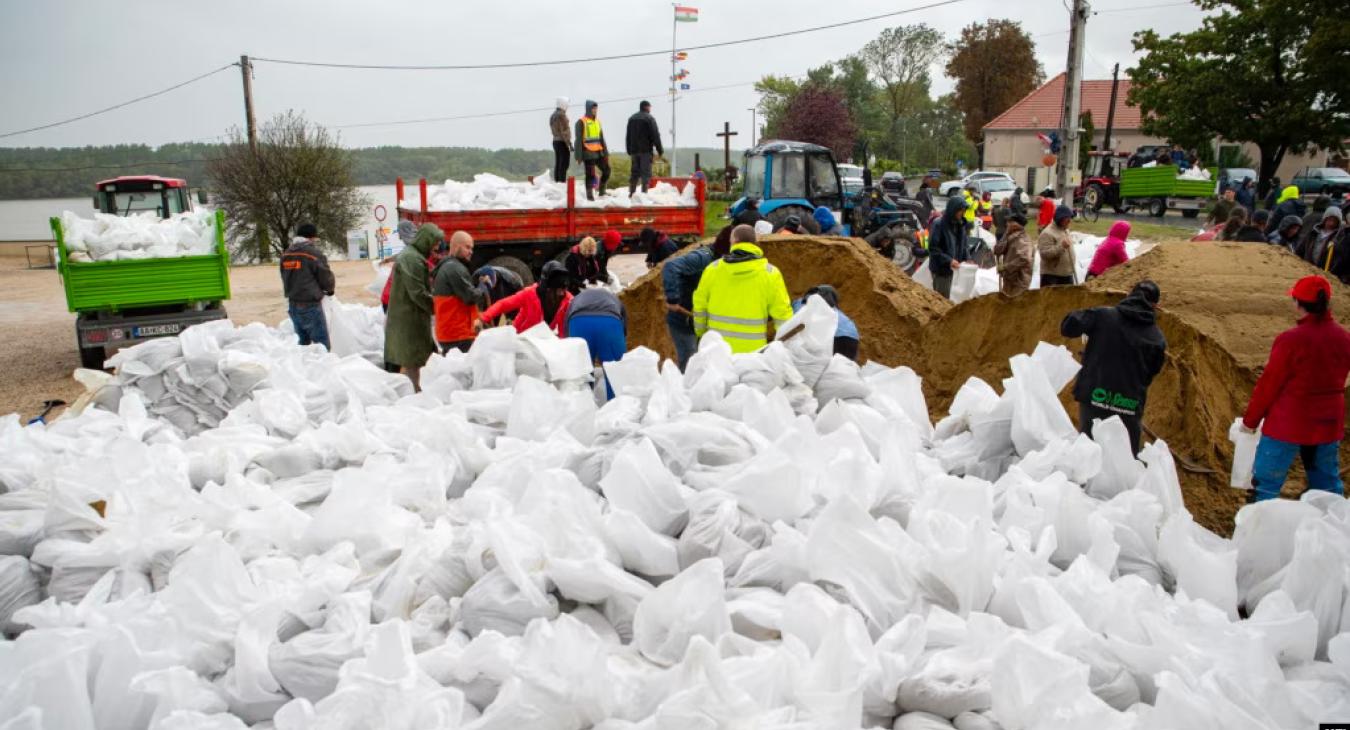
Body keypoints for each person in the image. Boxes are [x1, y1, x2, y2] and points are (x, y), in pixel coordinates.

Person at [1240, 275, 1350, 502]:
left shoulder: (1291, 340)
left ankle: (1259, 530)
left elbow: (1268, 385)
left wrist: (1250, 421)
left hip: (1288, 422)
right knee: (1327, 485)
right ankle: (1334, 528)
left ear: (1299, 304)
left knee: (1266, 484)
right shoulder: (1344, 338)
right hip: (1328, 422)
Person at [1061, 281, 1167, 453]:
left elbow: (1068, 327)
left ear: (1128, 295)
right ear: (1155, 306)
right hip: (1128, 405)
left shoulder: (1103, 316)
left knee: (1088, 457)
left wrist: (1088, 318)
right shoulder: (1156, 338)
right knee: (1125, 462)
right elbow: (1151, 373)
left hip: (1095, 398)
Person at [692, 224, 793, 354]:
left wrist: (700, 332)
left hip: (716, 351)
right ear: (755, 243)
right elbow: (782, 314)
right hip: (752, 353)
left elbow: (700, 306)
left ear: (733, 241)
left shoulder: (712, 270)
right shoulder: (771, 273)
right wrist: (786, 344)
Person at [663, 225, 731, 369]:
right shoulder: (703, 258)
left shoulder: (722, 261)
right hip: (683, 321)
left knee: (703, 359)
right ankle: (685, 389)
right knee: (690, 361)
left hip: (700, 320)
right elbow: (671, 267)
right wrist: (673, 299)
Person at [385, 224, 443, 391]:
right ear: (427, 239)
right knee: (413, 358)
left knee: (416, 358)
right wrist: (439, 308)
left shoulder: (413, 255)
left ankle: (414, 390)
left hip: (409, 316)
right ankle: (414, 393)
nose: (437, 246)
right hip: (409, 319)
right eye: (435, 242)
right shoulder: (412, 259)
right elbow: (418, 293)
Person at [279, 222, 336, 350]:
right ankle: (324, 368)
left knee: (303, 344)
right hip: (310, 305)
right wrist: (330, 290)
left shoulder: (286, 254)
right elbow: (326, 277)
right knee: (321, 346)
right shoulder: (313, 253)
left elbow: (284, 276)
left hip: (293, 304)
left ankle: (304, 368)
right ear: (311, 237)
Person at [431, 231, 487, 354]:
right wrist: (483, 287)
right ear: (456, 246)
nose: (471, 251)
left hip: (450, 333)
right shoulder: (454, 268)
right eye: (467, 247)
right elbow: (470, 297)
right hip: (458, 335)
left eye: (472, 248)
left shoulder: (448, 266)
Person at [481, 260, 573, 336]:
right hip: (520, 337)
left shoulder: (567, 300)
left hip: (541, 340)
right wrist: (484, 317)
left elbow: (563, 327)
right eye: (558, 290)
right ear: (548, 288)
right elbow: (503, 304)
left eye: (564, 289)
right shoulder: (529, 294)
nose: (562, 293)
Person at [565, 287, 627, 399]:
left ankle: (583, 408)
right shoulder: (614, 298)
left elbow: (566, 324)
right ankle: (616, 409)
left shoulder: (576, 299)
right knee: (615, 371)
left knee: (582, 373)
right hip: (609, 323)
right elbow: (624, 326)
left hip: (578, 322)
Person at [791, 284, 860, 361]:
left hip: (834, 336)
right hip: (853, 338)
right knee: (844, 368)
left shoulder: (803, 303)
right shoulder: (836, 312)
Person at [927, 196, 971, 299]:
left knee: (953, 299)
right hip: (941, 271)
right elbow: (933, 248)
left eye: (964, 211)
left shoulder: (960, 224)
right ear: (953, 209)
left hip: (955, 270)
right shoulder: (939, 224)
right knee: (942, 300)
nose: (963, 213)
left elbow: (964, 245)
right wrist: (949, 260)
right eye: (961, 211)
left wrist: (968, 258)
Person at [625, 100, 664, 194]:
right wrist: (660, 150)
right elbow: (655, 135)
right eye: (650, 107)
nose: (650, 109)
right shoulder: (649, 118)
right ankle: (644, 195)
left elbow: (628, 135)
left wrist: (629, 150)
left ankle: (631, 193)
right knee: (645, 174)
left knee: (634, 173)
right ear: (647, 107)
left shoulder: (631, 119)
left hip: (634, 151)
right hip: (645, 151)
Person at [574, 100, 609, 201]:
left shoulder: (598, 122)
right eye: (593, 108)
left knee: (607, 170)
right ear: (588, 109)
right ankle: (590, 197)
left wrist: (606, 153)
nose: (595, 110)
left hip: (599, 151)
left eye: (596, 108)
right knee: (590, 174)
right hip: (588, 152)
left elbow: (602, 138)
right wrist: (578, 156)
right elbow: (578, 140)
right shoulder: (581, 122)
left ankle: (602, 191)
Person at [993, 212, 1033, 297]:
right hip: (1009, 279)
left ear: (1017, 225)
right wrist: (1006, 234)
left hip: (1019, 281)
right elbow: (997, 250)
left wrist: (1006, 267)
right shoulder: (1009, 236)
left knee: (1016, 307)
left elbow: (1024, 259)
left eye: (1010, 222)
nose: (1007, 224)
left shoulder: (1023, 239)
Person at [1038, 205, 1077, 287]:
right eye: (1067, 219)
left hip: (1067, 274)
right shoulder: (1047, 233)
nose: (1070, 221)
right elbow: (1044, 254)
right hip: (1052, 277)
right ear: (1060, 218)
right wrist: (1061, 247)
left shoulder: (1065, 230)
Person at [550, 97, 571, 183]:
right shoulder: (561, 115)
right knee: (564, 163)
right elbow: (564, 131)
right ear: (563, 104)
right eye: (567, 104)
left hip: (555, 141)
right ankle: (561, 183)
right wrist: (568, 143)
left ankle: (557, 182)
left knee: (558, 163)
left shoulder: (553, 115)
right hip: (562, 141)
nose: (568, 106)